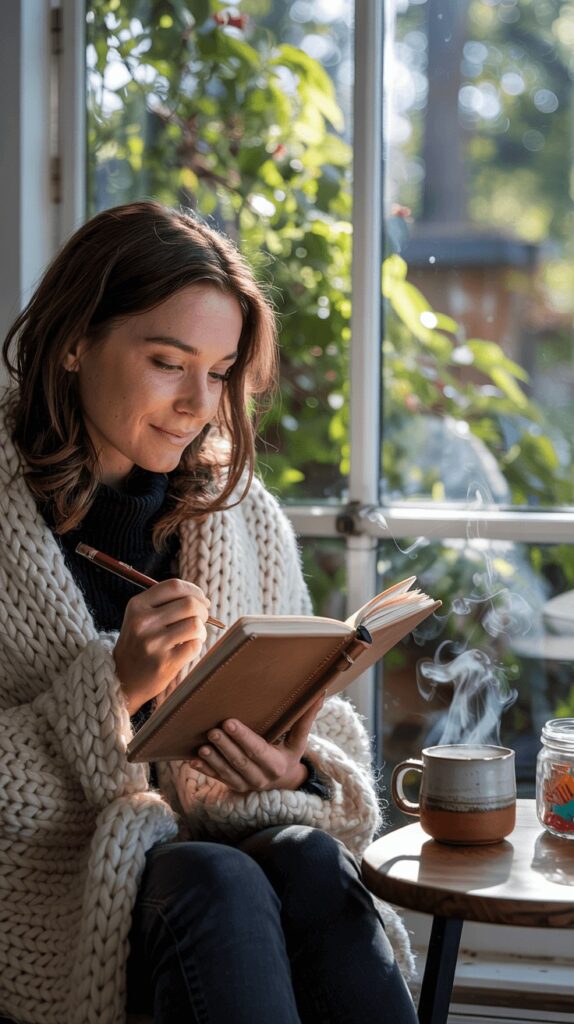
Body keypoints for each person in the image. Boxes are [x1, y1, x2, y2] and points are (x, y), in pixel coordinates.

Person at [0, 200, 418, 1024]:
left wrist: (295, 768)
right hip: (53, 890)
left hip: (231, 869)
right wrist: (111, 690)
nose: (200, 403)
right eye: (168, 361)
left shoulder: (242, 515)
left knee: (309, 862)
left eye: (221, 372)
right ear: (76, 343)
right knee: (217, 880)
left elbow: (315, 724)